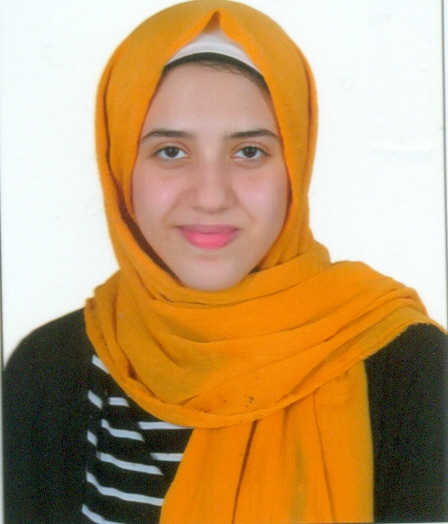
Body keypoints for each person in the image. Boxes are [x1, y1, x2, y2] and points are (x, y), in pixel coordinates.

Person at [4, 1, 446, 523]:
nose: (211, 197)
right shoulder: (47, 371)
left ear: (295, 165)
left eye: (249, 152)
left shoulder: (411, 371)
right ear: (121, 166)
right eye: (171, 151)